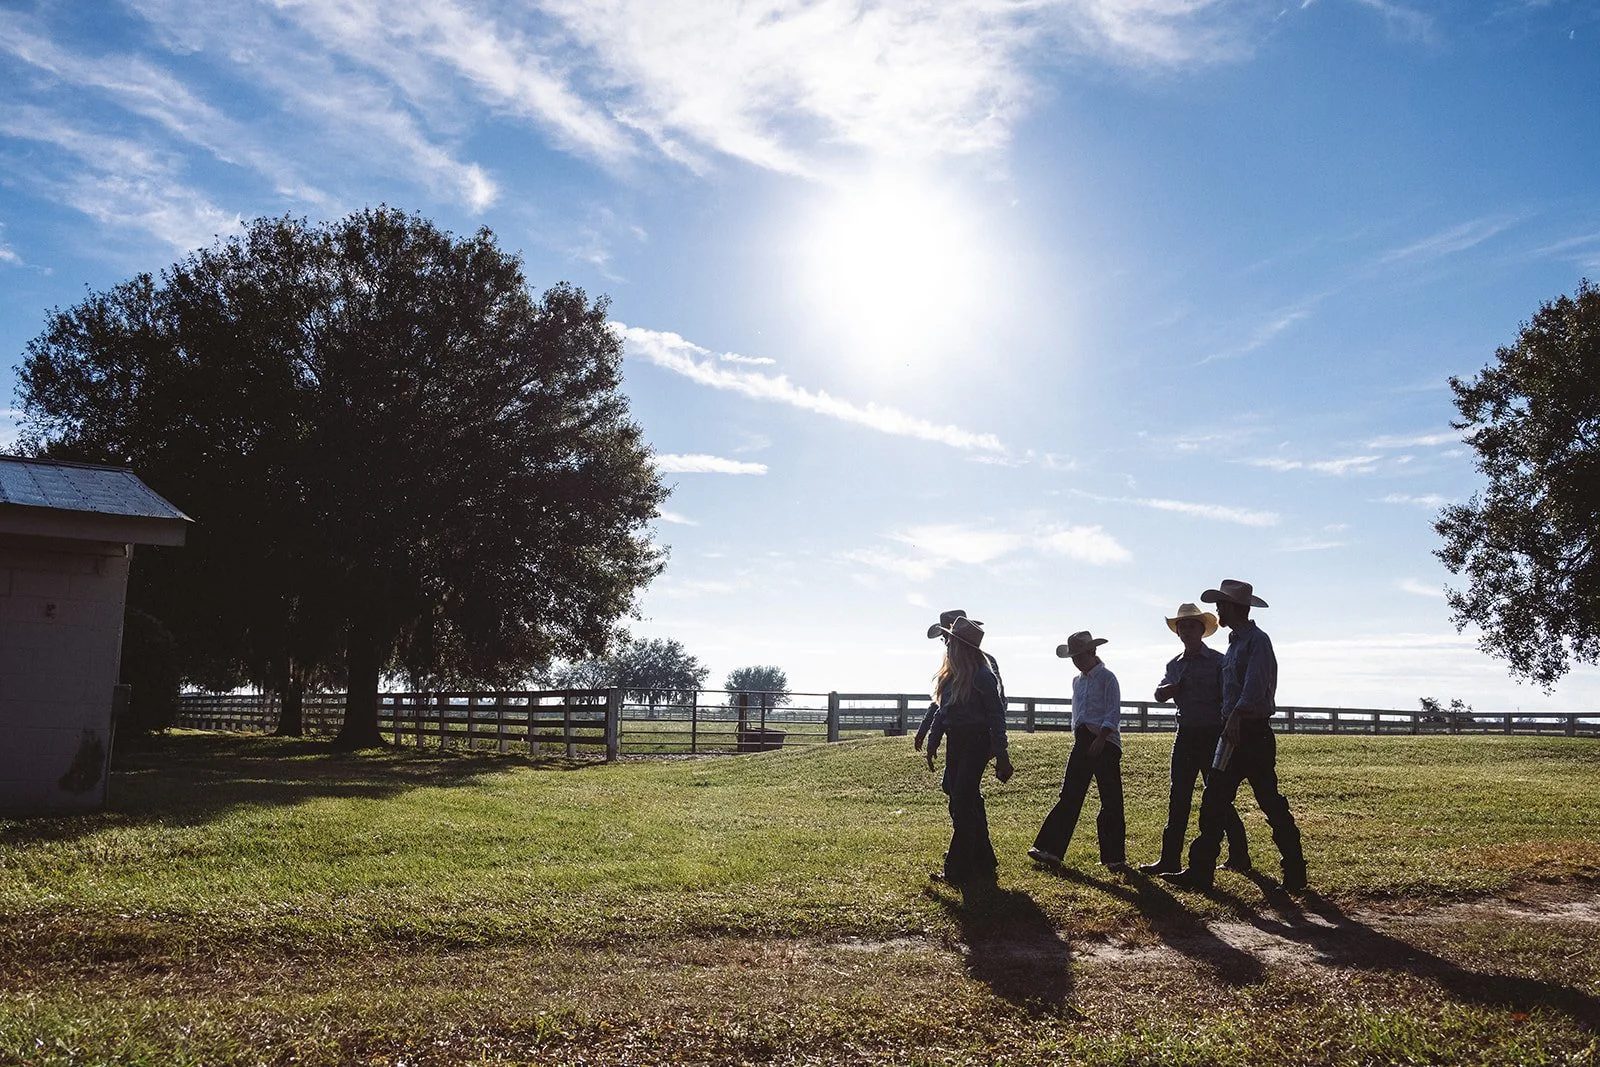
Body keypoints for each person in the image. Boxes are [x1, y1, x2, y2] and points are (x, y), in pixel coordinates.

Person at [1162, 579, 1308, 894]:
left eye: (1220, 605)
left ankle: (1295, 873)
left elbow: (1255, 687)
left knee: (1270, 802)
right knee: (1213, 800)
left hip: (1251, 733)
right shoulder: (1234, 644)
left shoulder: (1257, 641)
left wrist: (1236, 718)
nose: (1217, 610)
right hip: (1231, 732)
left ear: (1231, 607)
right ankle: (1200, 871)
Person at [1140, 603, 1251, 875]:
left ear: (1202, 630)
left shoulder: (1218, 661)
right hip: (1186, 734)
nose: (1187, 630)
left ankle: (1239, 854)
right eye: (1183, 626)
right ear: (1178, 632)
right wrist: (1168, 689)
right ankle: (1170, 859)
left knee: (1217, 798)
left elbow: (1229, 695)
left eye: (1192, 625)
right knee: (1178, 796)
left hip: (1213, 733)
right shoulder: (1173, 665)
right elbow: (1158, 693)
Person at [1028, 631, 1128, 873]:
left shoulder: (1107, 678)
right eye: (1074, 657)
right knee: (1070, 794)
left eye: (1080, 656)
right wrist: (1079, 736)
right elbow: (1078, 712)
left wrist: (1102, 738)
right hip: (1083, 738)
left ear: (1093, 652)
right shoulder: (1078, 681)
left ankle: (1114, 857)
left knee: (1110, 798)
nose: (1077, 661)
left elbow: (1113, 711)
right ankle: (1050, 849)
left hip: (1104, 740)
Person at [926, 616, 1013, 884]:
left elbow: (997, 716)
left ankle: (958, 868)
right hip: (957, 742)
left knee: (963, 800)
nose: (947, 645)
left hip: (975, 742)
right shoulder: (952, 676)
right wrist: (933, 739)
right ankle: (982, 856)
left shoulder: (983, 676)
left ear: (962, 647)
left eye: (951, 640)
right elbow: (943, 711)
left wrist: (1001, 753)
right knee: (959, 794)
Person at [916, 609, 1004, 768]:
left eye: (947, 638)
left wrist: (997, 744)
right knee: (952, 787)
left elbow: (997, 706)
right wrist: (927, 731)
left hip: (977, 736)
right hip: (956, 736)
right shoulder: (952, 667)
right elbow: (941, 702)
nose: (946, 643)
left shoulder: (983, 668)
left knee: (964, 788)